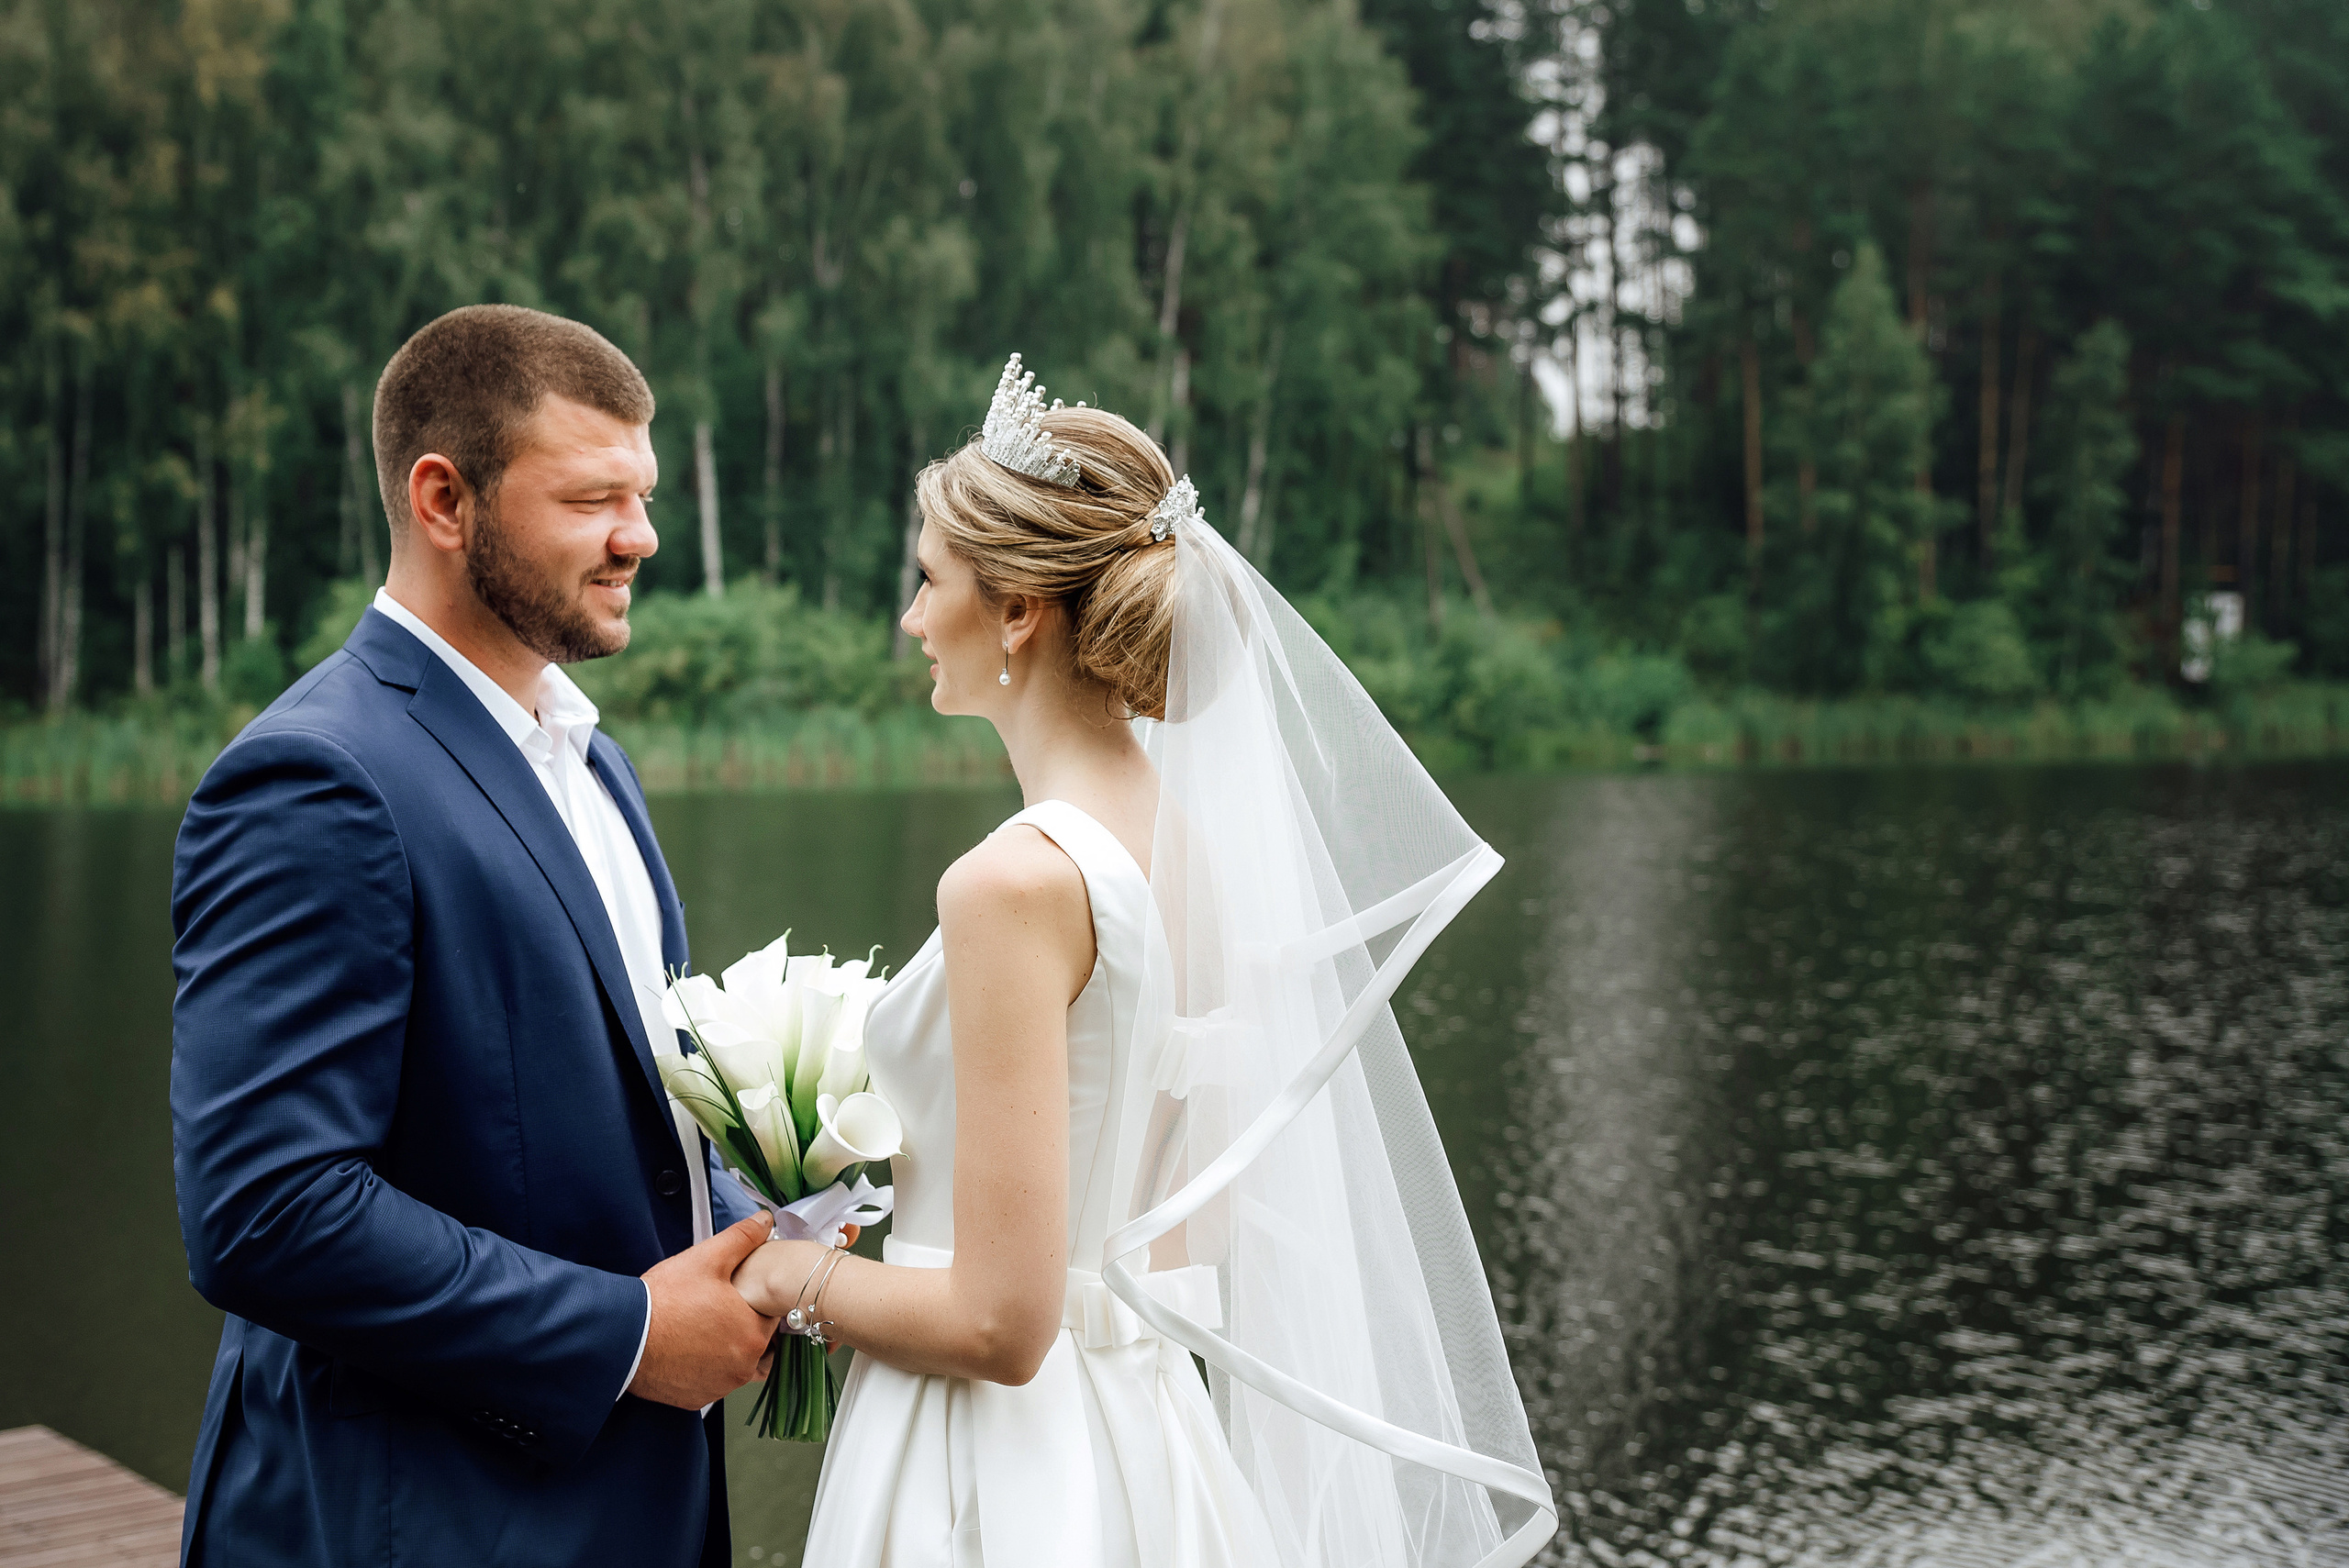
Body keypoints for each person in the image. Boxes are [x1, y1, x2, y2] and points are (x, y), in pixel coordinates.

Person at [731, 358, 1556, 1567]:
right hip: (1142, 1432)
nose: (911, 618)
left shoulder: (1013, 883)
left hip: (990, 1465)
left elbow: (1002, 1322)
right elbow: (1184, 1234)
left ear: (1017, 610)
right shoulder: (1195, 856)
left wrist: (793, 1274)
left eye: (928, 581)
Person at [171, 304, 775, 1567]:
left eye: (646, 494)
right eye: (593, 498)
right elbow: (265, 1206)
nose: (642, 537)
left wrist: (766, 1221)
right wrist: (623, 1332)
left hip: (627, 1512)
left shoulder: (594, 761)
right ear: (444, 499)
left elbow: (607, 1119)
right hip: (421, 1523)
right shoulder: (315, 777)